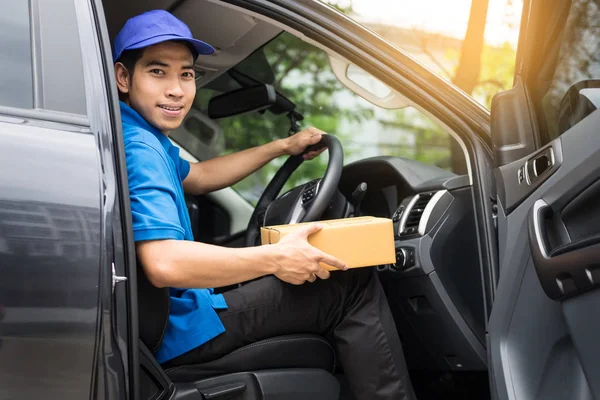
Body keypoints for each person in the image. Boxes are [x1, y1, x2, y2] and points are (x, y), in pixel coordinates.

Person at [114, 10, 416, 400]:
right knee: (350, 283)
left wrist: (282, 147)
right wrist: (275, 258)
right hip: (180, 329)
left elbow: (201, 176)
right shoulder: (140, 148)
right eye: (158, 72)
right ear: (124, 77)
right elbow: (165, 263)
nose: (176, 89)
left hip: (172, 320)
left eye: (186, 74)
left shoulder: (135, 132)